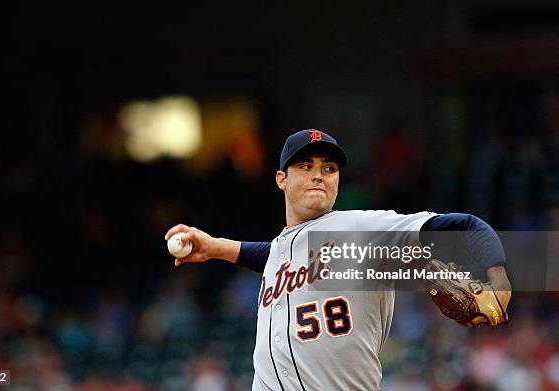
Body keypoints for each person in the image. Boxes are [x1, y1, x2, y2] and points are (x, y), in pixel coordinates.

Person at [165, 129, 511, 391]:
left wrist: (500, 281)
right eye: (306, 165)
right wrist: (216, 247)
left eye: (328, 168)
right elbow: (274, 255)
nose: (319, 174)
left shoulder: (361, 229)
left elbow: (465, 225)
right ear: (281, 180)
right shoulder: (287, 248)